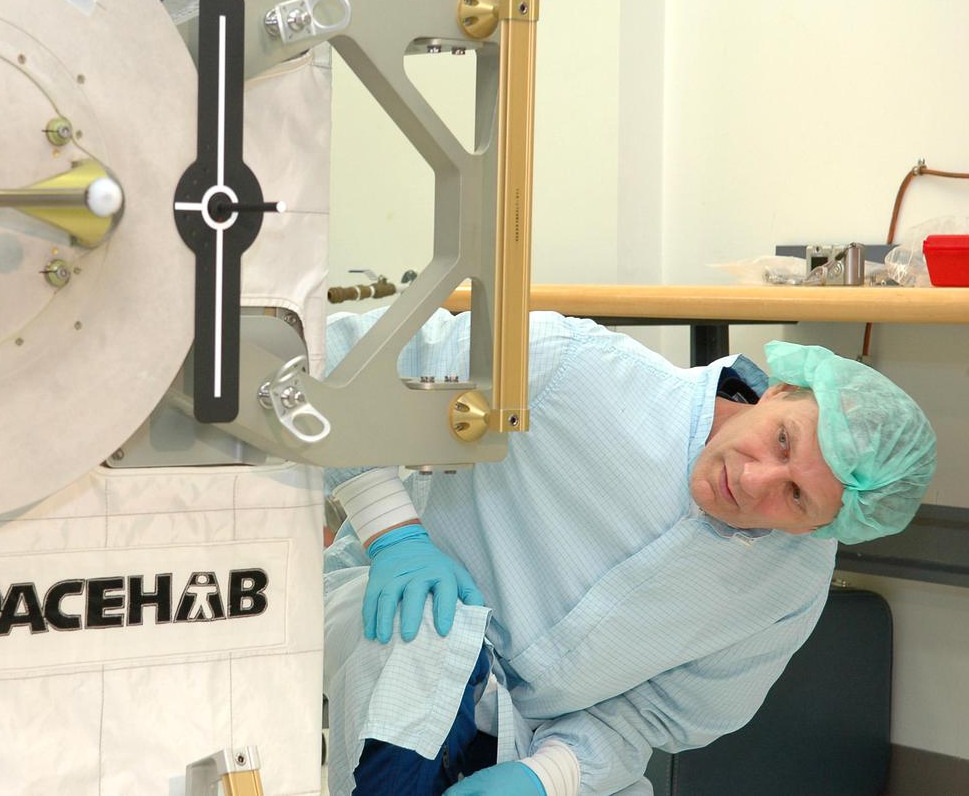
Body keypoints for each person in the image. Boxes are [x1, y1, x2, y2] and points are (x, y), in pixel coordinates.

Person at [321, 309, 936, 796]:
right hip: (387, 617)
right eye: (781, 441)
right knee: (426, 632)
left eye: (797, 497)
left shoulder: (789, 590)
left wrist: (546, 778)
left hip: (538, 743)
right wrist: (391, 529)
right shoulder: (574, 368)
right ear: (776, 390)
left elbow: (651, 717)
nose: (753, 483)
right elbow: (344, 359)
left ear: (825, 528)